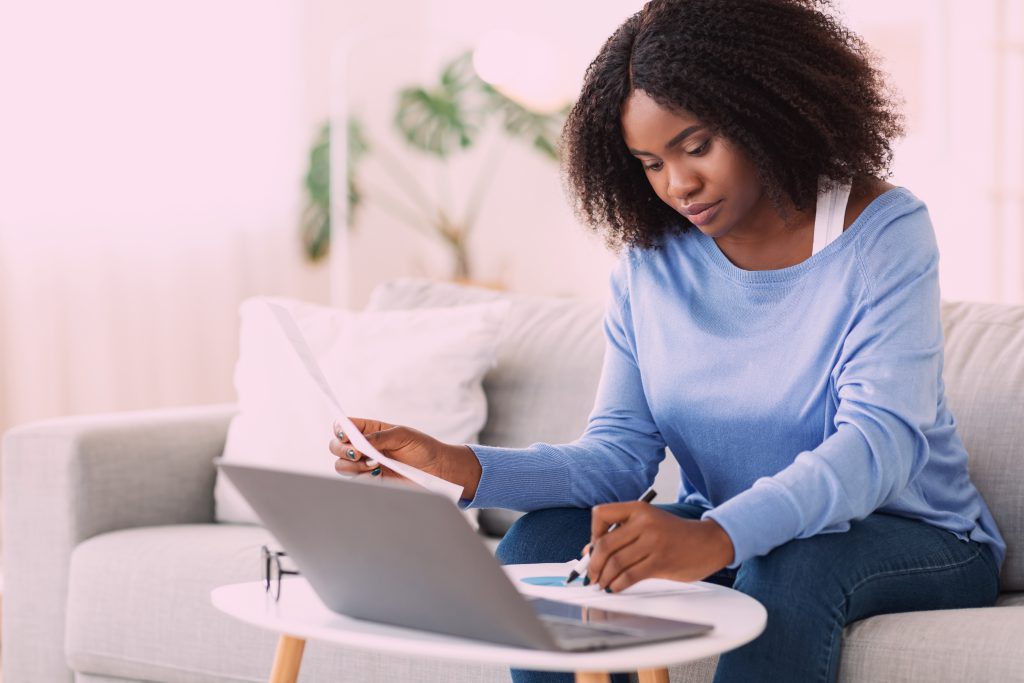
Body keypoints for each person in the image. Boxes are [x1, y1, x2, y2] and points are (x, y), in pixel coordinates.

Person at [329, 0, 1005, 680]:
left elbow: (878, 444)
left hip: (918, 534)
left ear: (764, 110)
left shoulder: (882, 232)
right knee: (540, 542)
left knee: (796, 563)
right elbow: (617, 456)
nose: (678, 184)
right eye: (650, 162)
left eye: (696, 145)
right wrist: (457, 464)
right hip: (738, 535)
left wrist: (716, 536)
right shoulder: (650, 264)